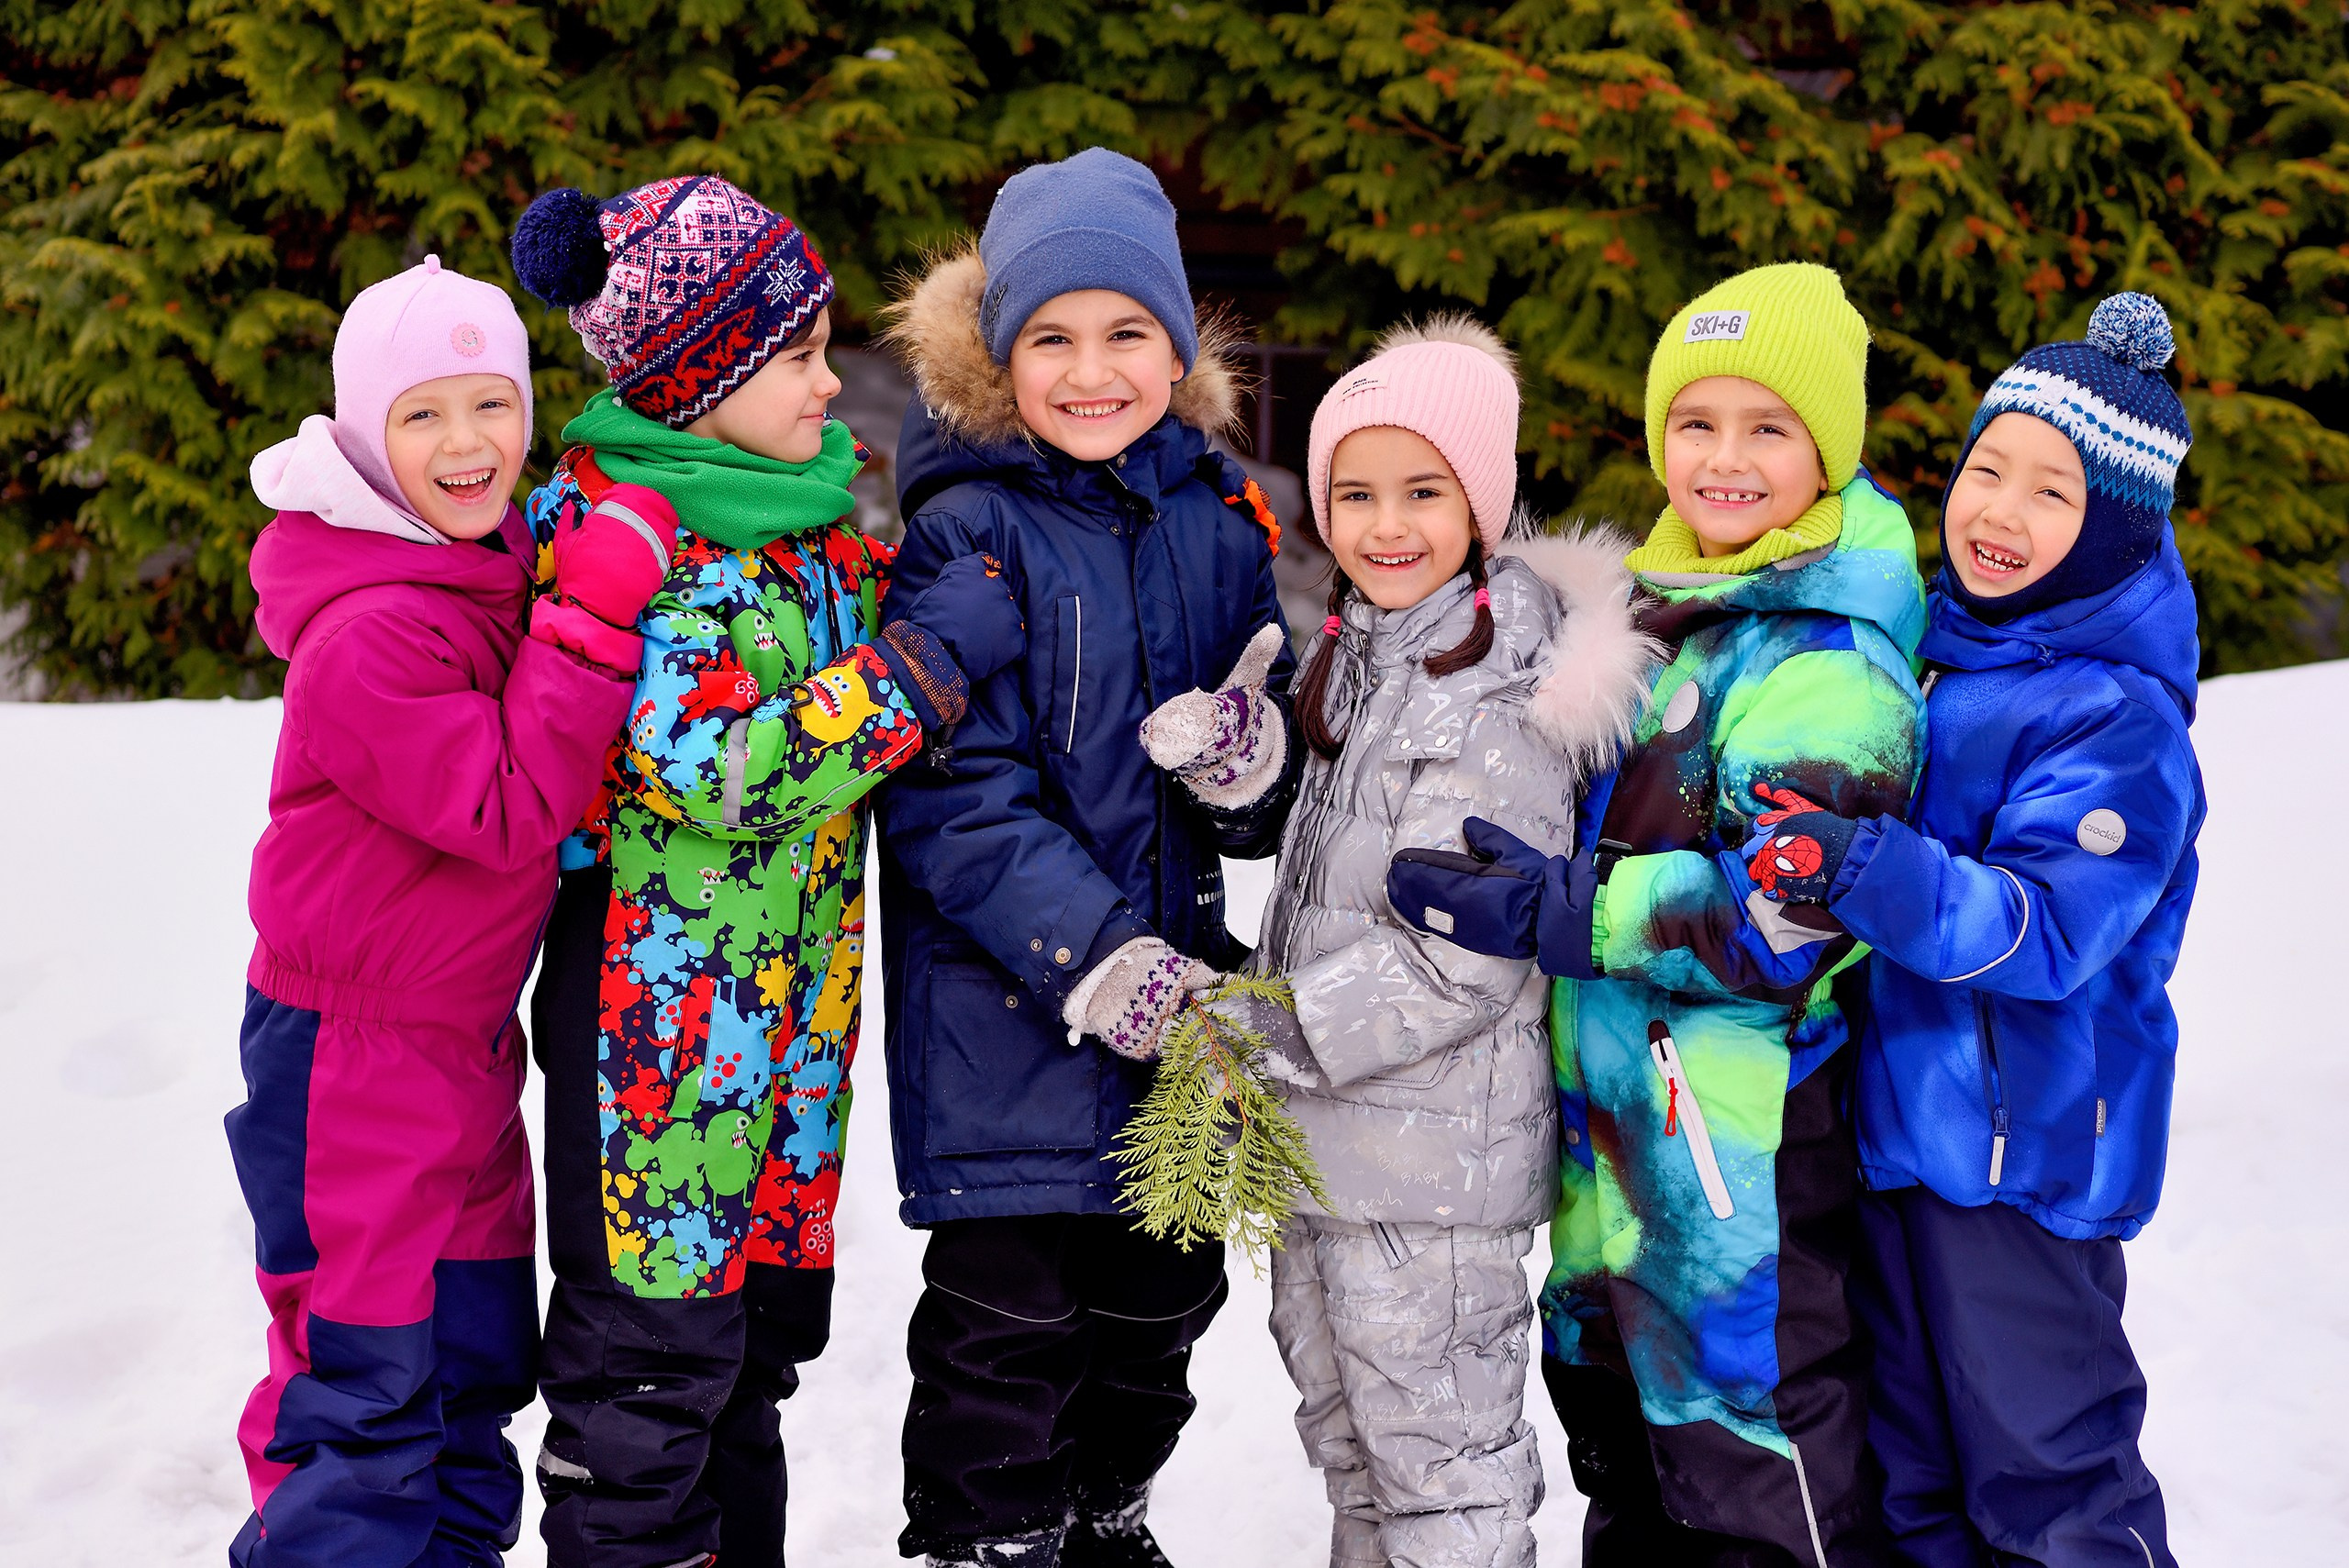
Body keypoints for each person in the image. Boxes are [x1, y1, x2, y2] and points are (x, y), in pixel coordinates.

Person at [508, 175, 1023, 1568]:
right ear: (698, 378)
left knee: (745, 1371)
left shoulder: (800, 533)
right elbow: (726, 771)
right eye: (793, 356)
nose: (824, 379)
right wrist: (915, 668)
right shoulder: (633, 547)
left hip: (776, 1072)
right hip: (653, 1072)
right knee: (643, 1392)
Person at [1388, 263, 1926, 1564]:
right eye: (1697, 423)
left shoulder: (1829, 658)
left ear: (1827, 448)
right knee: (1630, 1487)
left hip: (1734, 1175)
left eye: (1768, 429)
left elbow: (1792, 913)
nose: (1724, 459)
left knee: (1756, 1495)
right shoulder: (1660, 611)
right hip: (1616, 1167)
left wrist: (1568, 908)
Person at [873, 146, 1299, 1568]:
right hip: (1008, 1026)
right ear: (1000, 357)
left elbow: (1263, 763)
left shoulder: (1213, 520)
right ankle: (990, 1542)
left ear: (1178, 349)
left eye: (1127, 333)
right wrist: (1098, 955)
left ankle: (1105, 1518)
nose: (1091, 369)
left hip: (1178, 1029)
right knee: (1008, 1335)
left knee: (1159, 1313)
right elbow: (950, 798)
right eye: (1050, 337)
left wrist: (1253, 764)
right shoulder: (964, 528)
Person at [227, 256, 668, 1566]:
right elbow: (502, 803)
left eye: (494, 404)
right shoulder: (367, 632)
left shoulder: (483, 570)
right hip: (351, 1061)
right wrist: (590, 613)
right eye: (423, 414)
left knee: (470, 1377)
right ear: (366, 434)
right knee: (366, 1394)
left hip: (464, 1051)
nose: (467, 442)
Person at [1749, 295, 2201, 1568]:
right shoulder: (1939, 659)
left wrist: (1872, 868)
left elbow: (2048, 927)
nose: (1997, 510)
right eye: (1984, 468)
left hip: (2024, 1170)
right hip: (1896, 1146)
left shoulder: (2116, 717)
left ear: (2115, 529)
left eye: (2049, 492)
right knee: (1916, 1483)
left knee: (2050, 1478)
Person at [1224, 317, 1653, 1568]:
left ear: (1484, 503)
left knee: (1444, 1479)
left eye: (1424, 491)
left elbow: (1466, 956)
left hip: (1432, 1177)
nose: (1385, 523)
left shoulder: (1494, 691)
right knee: (1357, 1453)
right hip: (1337, 1153)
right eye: (1354, 492)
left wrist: (1290, 1026)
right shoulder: (1363, 654)